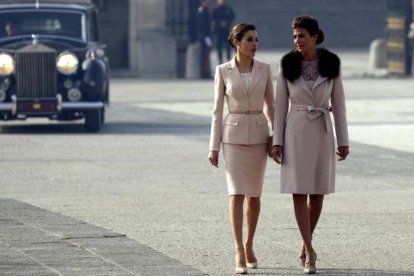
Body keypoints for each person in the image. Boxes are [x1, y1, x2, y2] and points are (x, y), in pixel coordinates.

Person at [271, 15, 349, 274]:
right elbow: (280, 106)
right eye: (294, 36)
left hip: (323, 131)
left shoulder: (331, 63)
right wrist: (277, 141)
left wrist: (344, 140)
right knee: (299, 190)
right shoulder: (287, 64)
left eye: (302, 36)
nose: (297, 41)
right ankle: (310, 250)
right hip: (296, 129)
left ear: (314, 36)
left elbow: (339, 105)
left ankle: (305, 245)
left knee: (317, 194)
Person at [208, 23, 274, 274]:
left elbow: (272, 107)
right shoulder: (223, 71)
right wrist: (213, 147)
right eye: (249, 40)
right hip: (233, 137)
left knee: (254, 196)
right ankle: (238, 249)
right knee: (236, 194)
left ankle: (249, 244)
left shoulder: (265, 69)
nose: (255, 44)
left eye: (257, 39)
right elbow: (217, 111)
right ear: (237, 42)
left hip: (258, 136)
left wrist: (276, 138)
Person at [196, 0, 213, 79]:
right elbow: (202, 25)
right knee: (204, 55)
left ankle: (206, 71)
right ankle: (204, 72)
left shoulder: (205, 11)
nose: (208, 3)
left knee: (207, 54)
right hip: (204, 36)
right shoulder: (201, 11)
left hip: (206, 36)